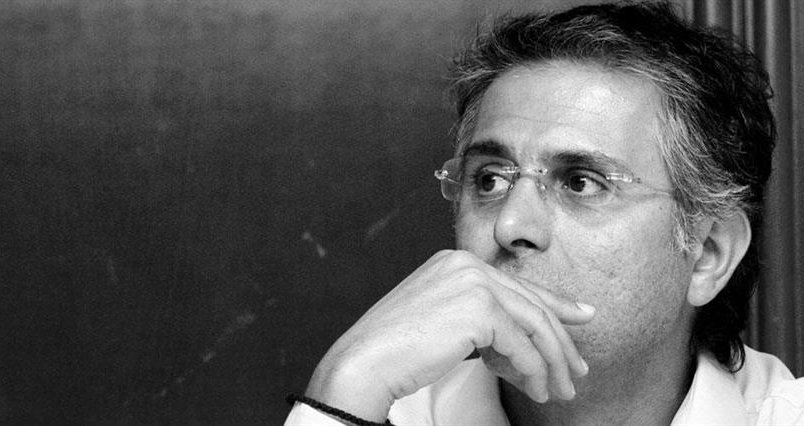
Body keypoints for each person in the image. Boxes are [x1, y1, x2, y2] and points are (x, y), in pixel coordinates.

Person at [285, 2, 804, 424]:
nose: (510, 226)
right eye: (489, 179)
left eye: (581, 183)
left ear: (707, 253)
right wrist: (345, 385)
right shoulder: (373, 413)